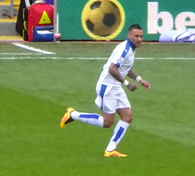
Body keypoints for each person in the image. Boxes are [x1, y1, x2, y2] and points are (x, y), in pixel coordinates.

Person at [60, 24, 150, 158]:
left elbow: (125, 68)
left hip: (115, 86)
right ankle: (73, 114)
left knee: (127, 117)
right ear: (129, 36)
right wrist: (127, 84)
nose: (139, 39)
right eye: (136, 36)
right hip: (107, 87)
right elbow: (112, 70)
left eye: (141, 36)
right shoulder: (124, 49)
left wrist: (139, 79)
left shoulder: (130, 49)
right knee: (107, 122)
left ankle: (110, 150)